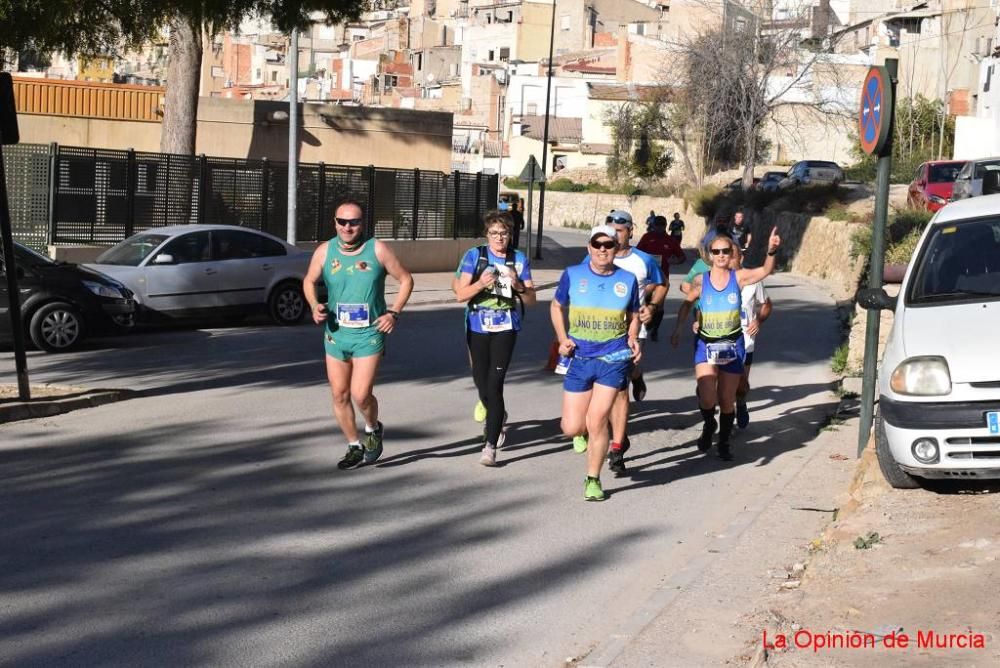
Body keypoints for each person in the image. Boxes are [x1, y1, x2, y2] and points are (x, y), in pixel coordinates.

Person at [303, 199, 414, 470]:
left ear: (362, 223)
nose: (348, 227)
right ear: (335, 223)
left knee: (361, 394)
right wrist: (314, 304)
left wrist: (394, 313)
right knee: (340, 394)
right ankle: (354, 445)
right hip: (336, 333)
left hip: (369, 333)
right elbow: (308, 280)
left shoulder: (376, 249)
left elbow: (406, 279)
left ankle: (373, 428)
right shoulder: (324, 251)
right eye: (342, 221)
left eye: (354, 222)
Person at [669, 226, 781, 461]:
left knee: (726, 399)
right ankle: (710, 424)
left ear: (732, 254)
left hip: (732, 344)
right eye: (716, 251)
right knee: (707, 396)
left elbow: (765, 270)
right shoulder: (701, 280)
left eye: (725, 251)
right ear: (709, 255)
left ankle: (724, 440)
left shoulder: (738, 278)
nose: (720, 255)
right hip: (706, 344)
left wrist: (771, 251)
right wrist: (680, 328)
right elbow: (688, 303)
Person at [552, 225, 641, 501]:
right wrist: (562, 338)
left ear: (616, 249)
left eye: (609, 245)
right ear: (589, 247)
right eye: (597, 244)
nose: (603, 249)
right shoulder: (573, 274)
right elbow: (556, 306)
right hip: (579, 356)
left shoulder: (627, 279)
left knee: (598, 418)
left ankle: (593, 479)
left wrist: (633, 336)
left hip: (613, 357)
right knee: (572, 427)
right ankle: (584, 435)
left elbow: (634, 313)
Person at [453, 211, 536, 466]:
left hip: (506, 325)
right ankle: (498, 417)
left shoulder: (518, 259)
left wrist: (518, 284)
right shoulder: (474, 256)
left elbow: (532, 301)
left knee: (495, 382)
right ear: (487, 234)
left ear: (511, 235)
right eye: (494, 233)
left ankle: (489, 446)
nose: (499, 237)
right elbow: (460, 295)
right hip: (477, 324)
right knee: (480, 379)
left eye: (504, 233)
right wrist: (481, 284)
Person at [603, 210, 667, 475]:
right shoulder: (597, 255)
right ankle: (617, 435)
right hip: (601, 333)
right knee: (605, 390)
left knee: (619, 389)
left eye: (621, 229)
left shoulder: (643, 260)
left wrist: (651, 307)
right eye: (612, 228)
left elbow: (662, 284)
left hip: (632, 331)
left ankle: (617, 446)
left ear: (630, 231)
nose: (616, 234)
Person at [734, 245, 773, 429]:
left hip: (745, 339)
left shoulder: (753, 280)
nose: (727, 258)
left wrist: (758, 320)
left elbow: (766, 304)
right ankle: (722, 424)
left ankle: (740, 403)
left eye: (732, 254)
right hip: (719, 339)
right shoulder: (715, 279)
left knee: (741, 385)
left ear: (740, 257)